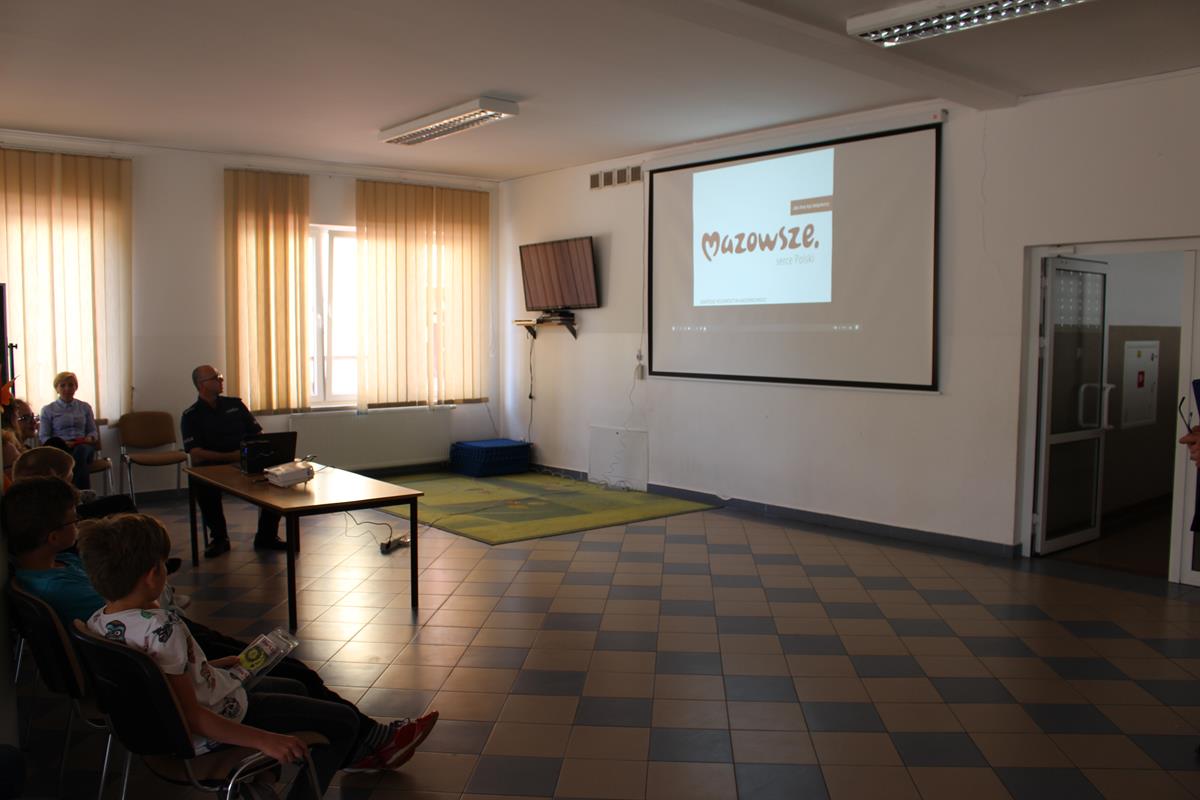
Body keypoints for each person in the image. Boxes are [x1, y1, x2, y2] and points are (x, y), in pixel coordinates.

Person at [4, 478, 439, 774]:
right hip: (191, 689)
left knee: (288, 676)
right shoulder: (133, 617)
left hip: (179, 665)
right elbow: (184, 697)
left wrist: (210, 663)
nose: (78, 522)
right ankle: (365, 742)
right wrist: (262, 739)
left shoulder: (66, 587)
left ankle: (364, 740)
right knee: (294, 674)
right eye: (72, 519)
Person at [78, 512, 357, 799]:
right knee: (345, 722)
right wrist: (266, 740)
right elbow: (192, 717)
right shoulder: (163, 627)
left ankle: (257, 782)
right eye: (164, 565)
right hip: (212, 725)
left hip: (171, 719)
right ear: (152, 576)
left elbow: (156, 679)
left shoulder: (98, 621)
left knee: (295, 687)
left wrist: (204, 667)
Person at [182, 365, 283, 557]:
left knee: (275, 478)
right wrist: (231, 457)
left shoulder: (235, 405)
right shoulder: (191, 415)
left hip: (244, 459)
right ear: (202, 384)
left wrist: (255, 451)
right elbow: (195, 452)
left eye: (220, 376)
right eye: (216, 378)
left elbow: (257, 433)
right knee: (203, 485)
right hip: (212, 465)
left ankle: (267, 536)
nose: (221, 380)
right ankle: (219, 538)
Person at [39, 371, 99, 491]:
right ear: (56, 388)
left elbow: (93, 431)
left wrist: (90, 438)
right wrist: (62, 443)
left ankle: (78, 493)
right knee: (70, 458)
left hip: (83, 445)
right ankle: (79, 494)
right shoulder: (48, 410)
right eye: (62, 385)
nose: (67, 388)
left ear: (76, 387)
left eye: (71, 385)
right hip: (61, 447)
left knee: (80, 452)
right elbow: (44, 436)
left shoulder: (85, 407)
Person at [2, 398, 39, 488]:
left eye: (32, 416)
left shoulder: (25, 449)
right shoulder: (8, 448)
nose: (33, 422)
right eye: (25, 418)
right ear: (10, 420)